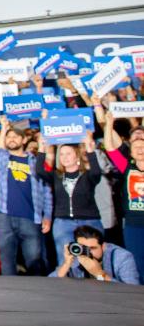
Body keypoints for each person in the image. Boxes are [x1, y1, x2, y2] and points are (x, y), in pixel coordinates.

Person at [0, 116, 53, 275]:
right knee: (7, 260)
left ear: (24, 140)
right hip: (4, 216)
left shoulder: (35, 161)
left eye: (15, 136)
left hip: (31, 217)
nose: (11, 139)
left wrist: (48, 215)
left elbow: (46, 190)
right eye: (9, 136)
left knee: (34, 260)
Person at [39, 131, 103, 253]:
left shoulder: (87, 175)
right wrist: (42, 148)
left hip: (89, 221)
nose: (64, 157)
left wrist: (89, 148)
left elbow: (96, 171)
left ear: (77, 156)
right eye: (61, 154)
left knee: (92, 258)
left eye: (68, 153)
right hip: (63, 223)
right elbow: (39, 170)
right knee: (66, 259)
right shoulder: (56, 176)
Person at [101, 113, 144, 275]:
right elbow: (110, 148)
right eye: (136, 148)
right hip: (133, 224)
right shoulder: (127, 168)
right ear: (131, 153)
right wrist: (109, 123)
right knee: (137, 263)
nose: (140, 150)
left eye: (143, 146)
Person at [49, 225, 140, 284]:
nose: (88, 253)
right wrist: (66, 265)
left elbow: (132, 290)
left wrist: (99, 274)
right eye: (84, 248)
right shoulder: (75, 256)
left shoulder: (122, 257)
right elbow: (49, 285)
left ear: (103, 246)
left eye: (92, 248)